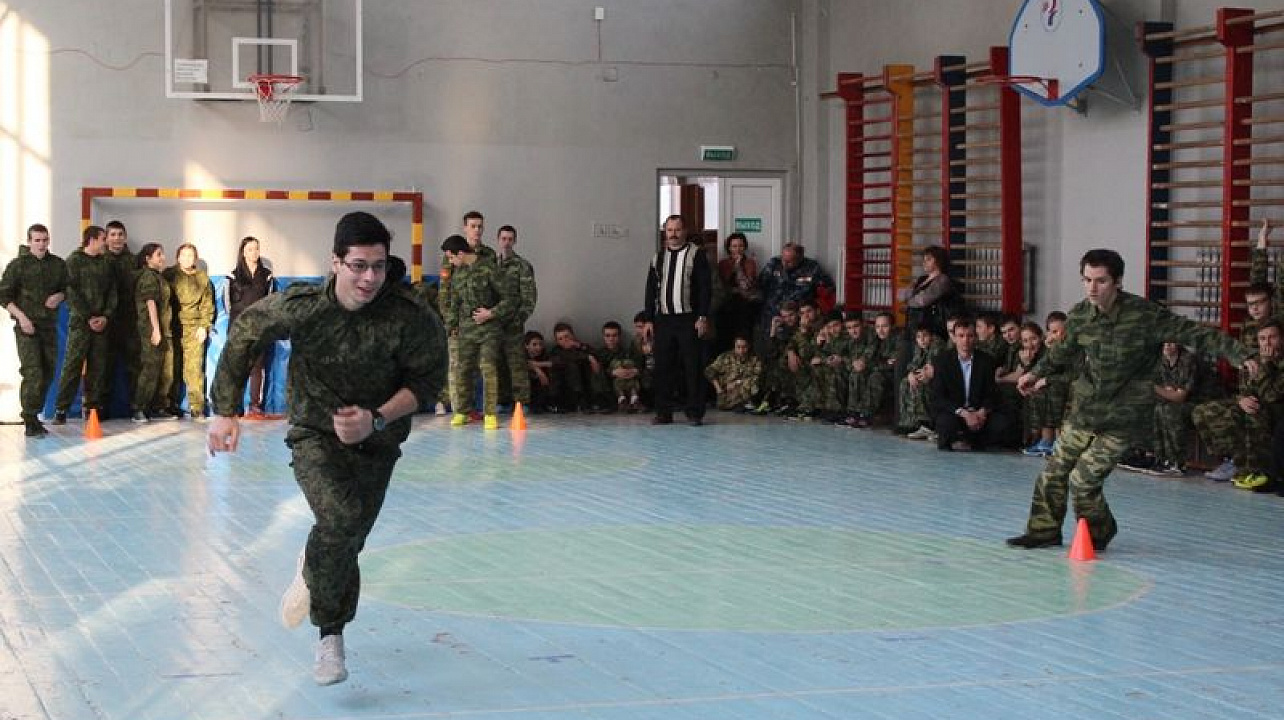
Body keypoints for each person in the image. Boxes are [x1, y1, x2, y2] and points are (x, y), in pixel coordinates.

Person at [207, 211, 447, 687]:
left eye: (378, 266)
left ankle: (312, 563)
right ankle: (330, 637)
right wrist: (224, 409)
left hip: (378, 439)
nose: (369, 278)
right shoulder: (306, 308)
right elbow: (245, 330)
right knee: (338, 520)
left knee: (348, 536)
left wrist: (376, 418)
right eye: (358, 265)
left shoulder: (410, 316)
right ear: (335, 262)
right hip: (315, 433)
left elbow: (427, 383)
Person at [1007, 249, 1254, 552]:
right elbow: (1060, 354)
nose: (1092, 289)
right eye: (1086, 280)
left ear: (1117, 281)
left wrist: (1239, 354)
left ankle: (1100, 532)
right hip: (1086, 411)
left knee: (1083, 481)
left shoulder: (1145, 316)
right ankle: (1043, 531)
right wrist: (1035, 374)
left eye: (1100, 281)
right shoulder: (1081, 315)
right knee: (1053, 473)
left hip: (1123, 417)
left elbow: (1195, 332)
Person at [1192, 321, 1284, 491]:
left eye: (1272, 337)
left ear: (1282, 339)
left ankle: (1254, 469)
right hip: (1254, 404)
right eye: (1263, 339)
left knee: (1254, 413)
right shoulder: (1254, 359)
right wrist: (1242, 399)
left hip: (1276, 411)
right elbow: (1245, 388)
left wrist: (1265, 365)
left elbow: (1271, 396)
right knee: (1201, 411)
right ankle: (1231, 459)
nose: (1267, 343)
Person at [643, 215, 713, 426]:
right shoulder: (658, 257)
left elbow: (705, 288)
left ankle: (694, 412)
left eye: (677, 229)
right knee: (663, 367)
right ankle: (664, 412)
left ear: (685, 231)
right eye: (669, 230)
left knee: (692, 366)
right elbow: (650, 289)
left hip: (689, 319)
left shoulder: (696, 254)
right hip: (664, 319)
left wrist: (702, 316)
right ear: (665, 232)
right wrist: (648, 319)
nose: (673, 234)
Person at [440, 234, 514, 428]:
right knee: (463, 370)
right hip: (466, 330)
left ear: (461, 253)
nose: (450, 261)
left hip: (489, 329)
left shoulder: (490, 268)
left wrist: (491, 313)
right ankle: (463, 412)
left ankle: (490, 413)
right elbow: (454, 303)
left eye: (451, 257)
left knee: (487, 368)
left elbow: (509, 299)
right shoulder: (459, 274)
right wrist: (451, 327)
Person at [0, 224, 67, 436]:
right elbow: (4, 296)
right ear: (29, 242)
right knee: (33, 371)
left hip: (48, 327)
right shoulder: (17, 266)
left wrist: (60, 296)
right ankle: (29, 418)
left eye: (45, 240)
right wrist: (22, 318)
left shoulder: (58, 265)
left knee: (47, 372)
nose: (41, 244)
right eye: (37, 240)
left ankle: (35, 415)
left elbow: (69, 287)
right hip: (26, 327)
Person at [52, 225, 116, 424]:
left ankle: (93, 409)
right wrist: (88, 317)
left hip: (101, 325)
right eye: (103, 238)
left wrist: (105, 316)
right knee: (72, 367)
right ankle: (61, 410)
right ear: (92, 240)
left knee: (98, 368)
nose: (106, 242)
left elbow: (112, 292)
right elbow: (70, 292)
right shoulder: (73, 261)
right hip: (81, 324)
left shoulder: (106, 263)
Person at [929, 317, 1011, 452]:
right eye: (961, 336)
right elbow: (938, 397)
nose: (965, 340)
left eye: (970, 336)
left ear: (976, 337)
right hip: (955, 412)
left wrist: (982, 412)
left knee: (1001, 424)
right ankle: (959, 439)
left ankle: (975, 440)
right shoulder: (942, 361)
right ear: (954, 338)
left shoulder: (986, 361)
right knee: (946, 425)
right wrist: (965, 414)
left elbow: (992, 393)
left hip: (978, 412)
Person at [164, 243, 215, 419]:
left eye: (190, 255)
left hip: (194, 328)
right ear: (178, 257)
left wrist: (204, 326)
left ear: (195, 259)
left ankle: (197, 407)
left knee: (194, 369)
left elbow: (207, 305)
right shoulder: (169, 275)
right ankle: (169, 406)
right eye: (183, 255)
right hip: (172, 327)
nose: (187, 258)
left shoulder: (202, 278)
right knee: (171, 368)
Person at [226, 236, 276, 416]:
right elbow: (227, 303)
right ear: (243, 252)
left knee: (257, 367)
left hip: (259, 327)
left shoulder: (267, 275)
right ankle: (234, 406)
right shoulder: (233, 275)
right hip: (238, 327)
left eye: (256, 248)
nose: (254, 252)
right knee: (237, 367)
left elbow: (272, 301)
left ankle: (255, 405)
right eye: (250, 249)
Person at [131, 243, 176, 422]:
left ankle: (159, 406)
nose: (162, 258)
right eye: (159, 255)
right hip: (151, 330)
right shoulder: (148, 277)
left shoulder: (160, 278)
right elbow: (151, 304)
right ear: (148, 259)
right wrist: (156, 330)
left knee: (165, 371)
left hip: (165, 330)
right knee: (149, 370)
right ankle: (139, 408)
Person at [495, 225, 537, 411]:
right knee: (497, 363)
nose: (506, 242)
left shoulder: (522, 266)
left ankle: (522, 402)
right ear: (498, 240)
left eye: (510, 239)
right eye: (503, 238)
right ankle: (502, 400)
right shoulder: (491, 264)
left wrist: (519, 319)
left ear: (515, 241)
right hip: (494, 324)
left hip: (513, 325)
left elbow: (529, 298)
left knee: (516, 364)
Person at [757, 242, 834, 336]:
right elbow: (760, 284)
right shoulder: (774, 263)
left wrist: (814, 308)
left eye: (789, 261)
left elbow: (828, 288)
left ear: (799, 259)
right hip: (773, 315)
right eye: (783, 259)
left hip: (798, 318)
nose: (784, 263)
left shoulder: (811, 268)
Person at [104, 220, 137, 415]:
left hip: (129, 321)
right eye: (112, 235)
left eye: (120, 235)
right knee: (103, 367)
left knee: (133, 367)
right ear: (106, 238)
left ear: (125, 238)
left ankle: (136, 406)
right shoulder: (99, 259)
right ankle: (100, 409)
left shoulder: (133, 261)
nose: (117, 239)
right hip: (106, 322)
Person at [714, 232, 760, 356]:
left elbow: (747, 286)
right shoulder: (723, 263)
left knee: (743, 334)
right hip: (726, 305)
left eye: (740, 246)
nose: (737, 249)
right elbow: (722, 285)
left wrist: (739, 267)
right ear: (729, 248)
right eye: (734, 246)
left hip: (745, 305)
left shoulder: (750, 262)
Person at [705, 336, 762, 411]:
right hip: (727, 391)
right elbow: (709, 371)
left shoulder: (754, 359)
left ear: (748, 347)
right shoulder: (725, 357)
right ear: (734, 347)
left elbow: (757, 376)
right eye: (738, 347)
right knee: (723, 404)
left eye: (744, 347)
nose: (741, 350)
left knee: (752, 382)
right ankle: (738, 404)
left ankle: (745, 403)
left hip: (745, 390)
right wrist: (718, 388)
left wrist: (737, 382)